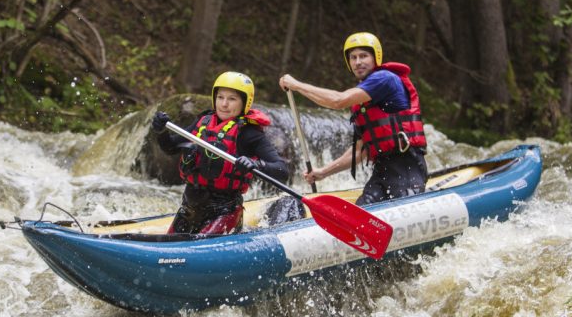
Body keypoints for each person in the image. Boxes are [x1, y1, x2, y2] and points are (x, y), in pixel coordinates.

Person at [279, 32, 427, 205]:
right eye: (353, 57)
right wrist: (323, 172)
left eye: (363, 56)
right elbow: (359, 151)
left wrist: (296, 85)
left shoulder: (384, 79)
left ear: (375, 57)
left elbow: (338, 100)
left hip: (407, 167)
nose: (358, 62)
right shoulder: (364, 100)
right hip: (382, 171)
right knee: (362, 211)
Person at [151, 71, 289, 235]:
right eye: (220, 97)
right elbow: (170, 147)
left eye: (232, 99)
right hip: (190, 209)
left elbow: (282, 170)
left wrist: (256, 164)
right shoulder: (204, 123)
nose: (224, 104)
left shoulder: (249, 133)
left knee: (197, 250)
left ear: (244, 102)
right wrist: (161, 132)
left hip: (224, 212)